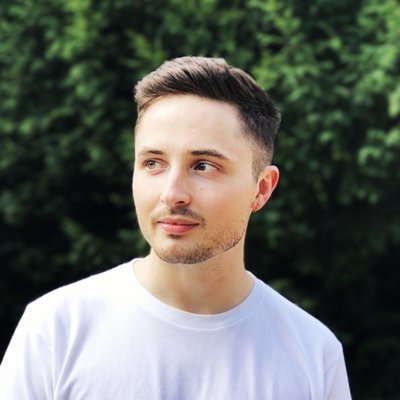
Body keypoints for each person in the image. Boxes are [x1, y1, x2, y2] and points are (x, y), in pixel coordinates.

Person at [0, 56, 352, 399]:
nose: (172, 194)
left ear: (261, 189)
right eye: (153, 163)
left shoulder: (313, 355)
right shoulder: (56, 331)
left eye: (203, 166)